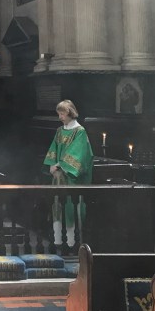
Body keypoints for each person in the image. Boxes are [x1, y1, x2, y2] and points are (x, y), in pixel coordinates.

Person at [43, 99, 93, 251]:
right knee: (57, 206)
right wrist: (52, 165)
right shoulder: (60, 131)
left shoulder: (80, 131)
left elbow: (79, 154)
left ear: (70, 113)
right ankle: (57, 240)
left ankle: (72, 243)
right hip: (59, 177)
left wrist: (60, 165)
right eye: (59, 114)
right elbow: (54, 149)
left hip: (72, 177)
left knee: (71, 206)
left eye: (62, 114)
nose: (60, 117)